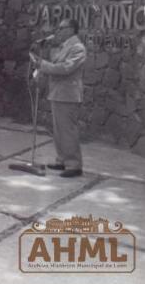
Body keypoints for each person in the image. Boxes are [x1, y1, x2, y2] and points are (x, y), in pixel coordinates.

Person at [30, 18, 87, 178]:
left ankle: (74, 165)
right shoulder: (64, 46)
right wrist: (40, 66)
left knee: (68, 130)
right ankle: (62, 160)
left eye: (62, 28)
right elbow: (55, 67)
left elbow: (65, 68)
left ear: (71, 29)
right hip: (58, 93)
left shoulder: (78, 48)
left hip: (68, 95)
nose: (58, 31)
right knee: (58, 130)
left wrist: (43, 65)